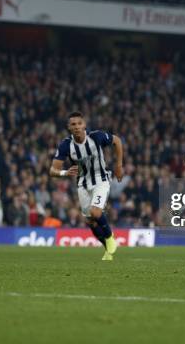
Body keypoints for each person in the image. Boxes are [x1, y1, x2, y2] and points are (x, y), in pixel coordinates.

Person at [49, 111, 124, 260]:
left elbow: (117, 141)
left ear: (84, 125)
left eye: (79, 123)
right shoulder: (66, 145)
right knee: (90, 221)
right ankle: (108, 250)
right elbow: (52, 170)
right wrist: (64, 173)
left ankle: (110, 238)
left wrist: (119, 165)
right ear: (69, 127)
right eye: (73, 124)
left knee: (96, 212)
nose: (76, 127)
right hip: (82, 184)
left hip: (101, 180)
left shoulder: (96, 136)